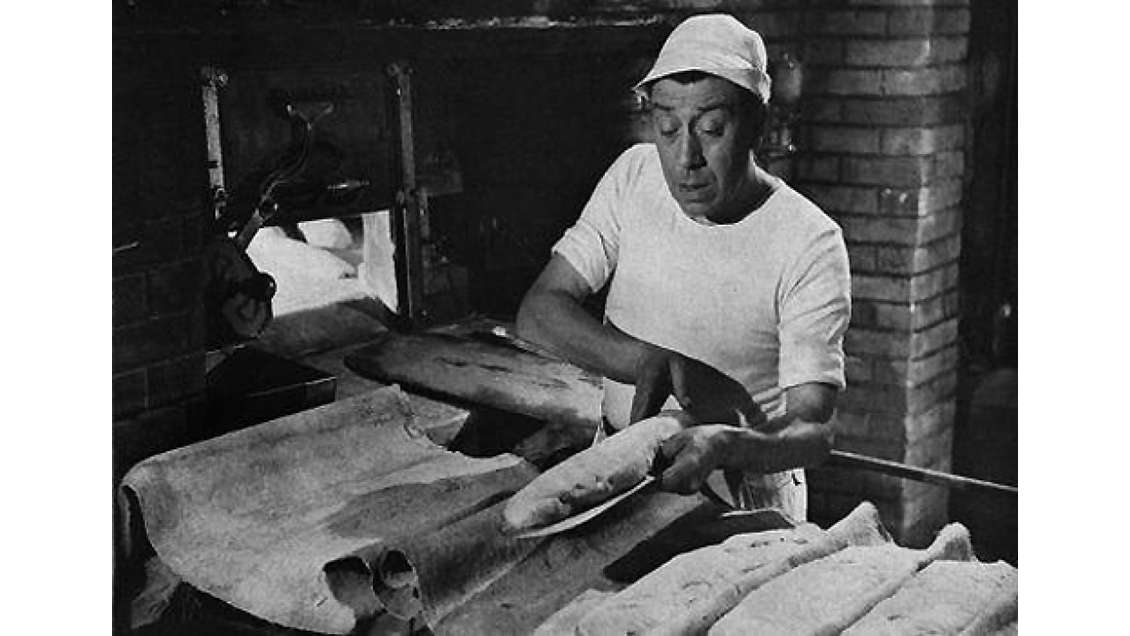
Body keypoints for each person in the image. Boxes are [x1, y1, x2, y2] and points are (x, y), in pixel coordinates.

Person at [514, 14, 851, 521]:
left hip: (741, 494)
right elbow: (539, 311)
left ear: (757, 123)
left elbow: (813, 431)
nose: (685, 157)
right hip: (620, 470)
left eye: (712, 129)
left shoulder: (808, 240)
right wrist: (646, 362)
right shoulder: (633, 177)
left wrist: (725, 444)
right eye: (668, 128)